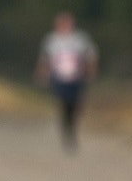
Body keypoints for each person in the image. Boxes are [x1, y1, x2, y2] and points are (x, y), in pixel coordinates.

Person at [35, 12, 98, 151]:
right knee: (64, 102)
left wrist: (91, 70)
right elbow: (45, 59)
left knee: (75, 104)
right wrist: (43, 74)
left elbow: (90, 56)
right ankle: (66, 127)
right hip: (59, 77)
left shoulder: (80, 39)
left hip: (77, 77)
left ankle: (71, 125)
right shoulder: (51, 40)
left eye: (68, 22)